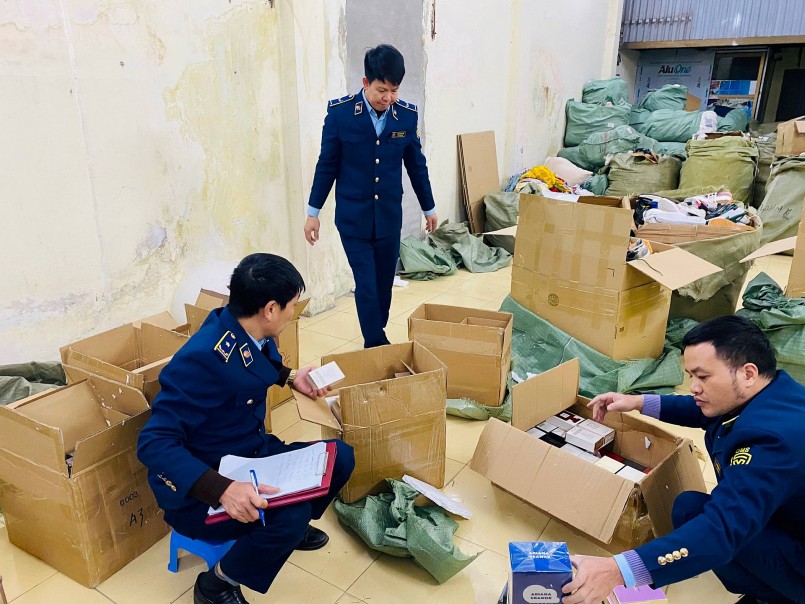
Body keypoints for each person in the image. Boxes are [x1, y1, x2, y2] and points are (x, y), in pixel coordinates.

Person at [138, 253, 355, 604]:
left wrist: (291, 377)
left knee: (340, 457)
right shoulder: (201, 359)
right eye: (292, 306)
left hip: (249, 455)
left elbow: (254, 361)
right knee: (293, 512)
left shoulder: (243, 326)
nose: (294, 313)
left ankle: (286, 532)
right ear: (270, 309)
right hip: (203, 489)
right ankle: (216, 584)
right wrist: (222, 489)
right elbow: (153, 442)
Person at [561, 315, 805, 604]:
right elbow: (703, 410)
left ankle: (778, 596)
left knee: (713, 531)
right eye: (691, 376)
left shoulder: (770, 441)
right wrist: (638, 402)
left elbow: (721, 530)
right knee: (690, 508)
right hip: (788, 516)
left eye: (703, 377)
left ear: (748, 373)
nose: (694, 387)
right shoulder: (774, 391)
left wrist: (618, 570)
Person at [304, 43, 438, 348]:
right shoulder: (340, 115)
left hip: (389, 218)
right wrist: (313, 213)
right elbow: (326, 166)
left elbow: (416, 166)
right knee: (366, 283)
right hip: (353, 219)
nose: (387, 97)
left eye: (394, 90)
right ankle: (376, 344)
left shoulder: (405, 117)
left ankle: (376, 333)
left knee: (383, 285)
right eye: (381, 90)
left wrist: (428, 207)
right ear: (365, 82)